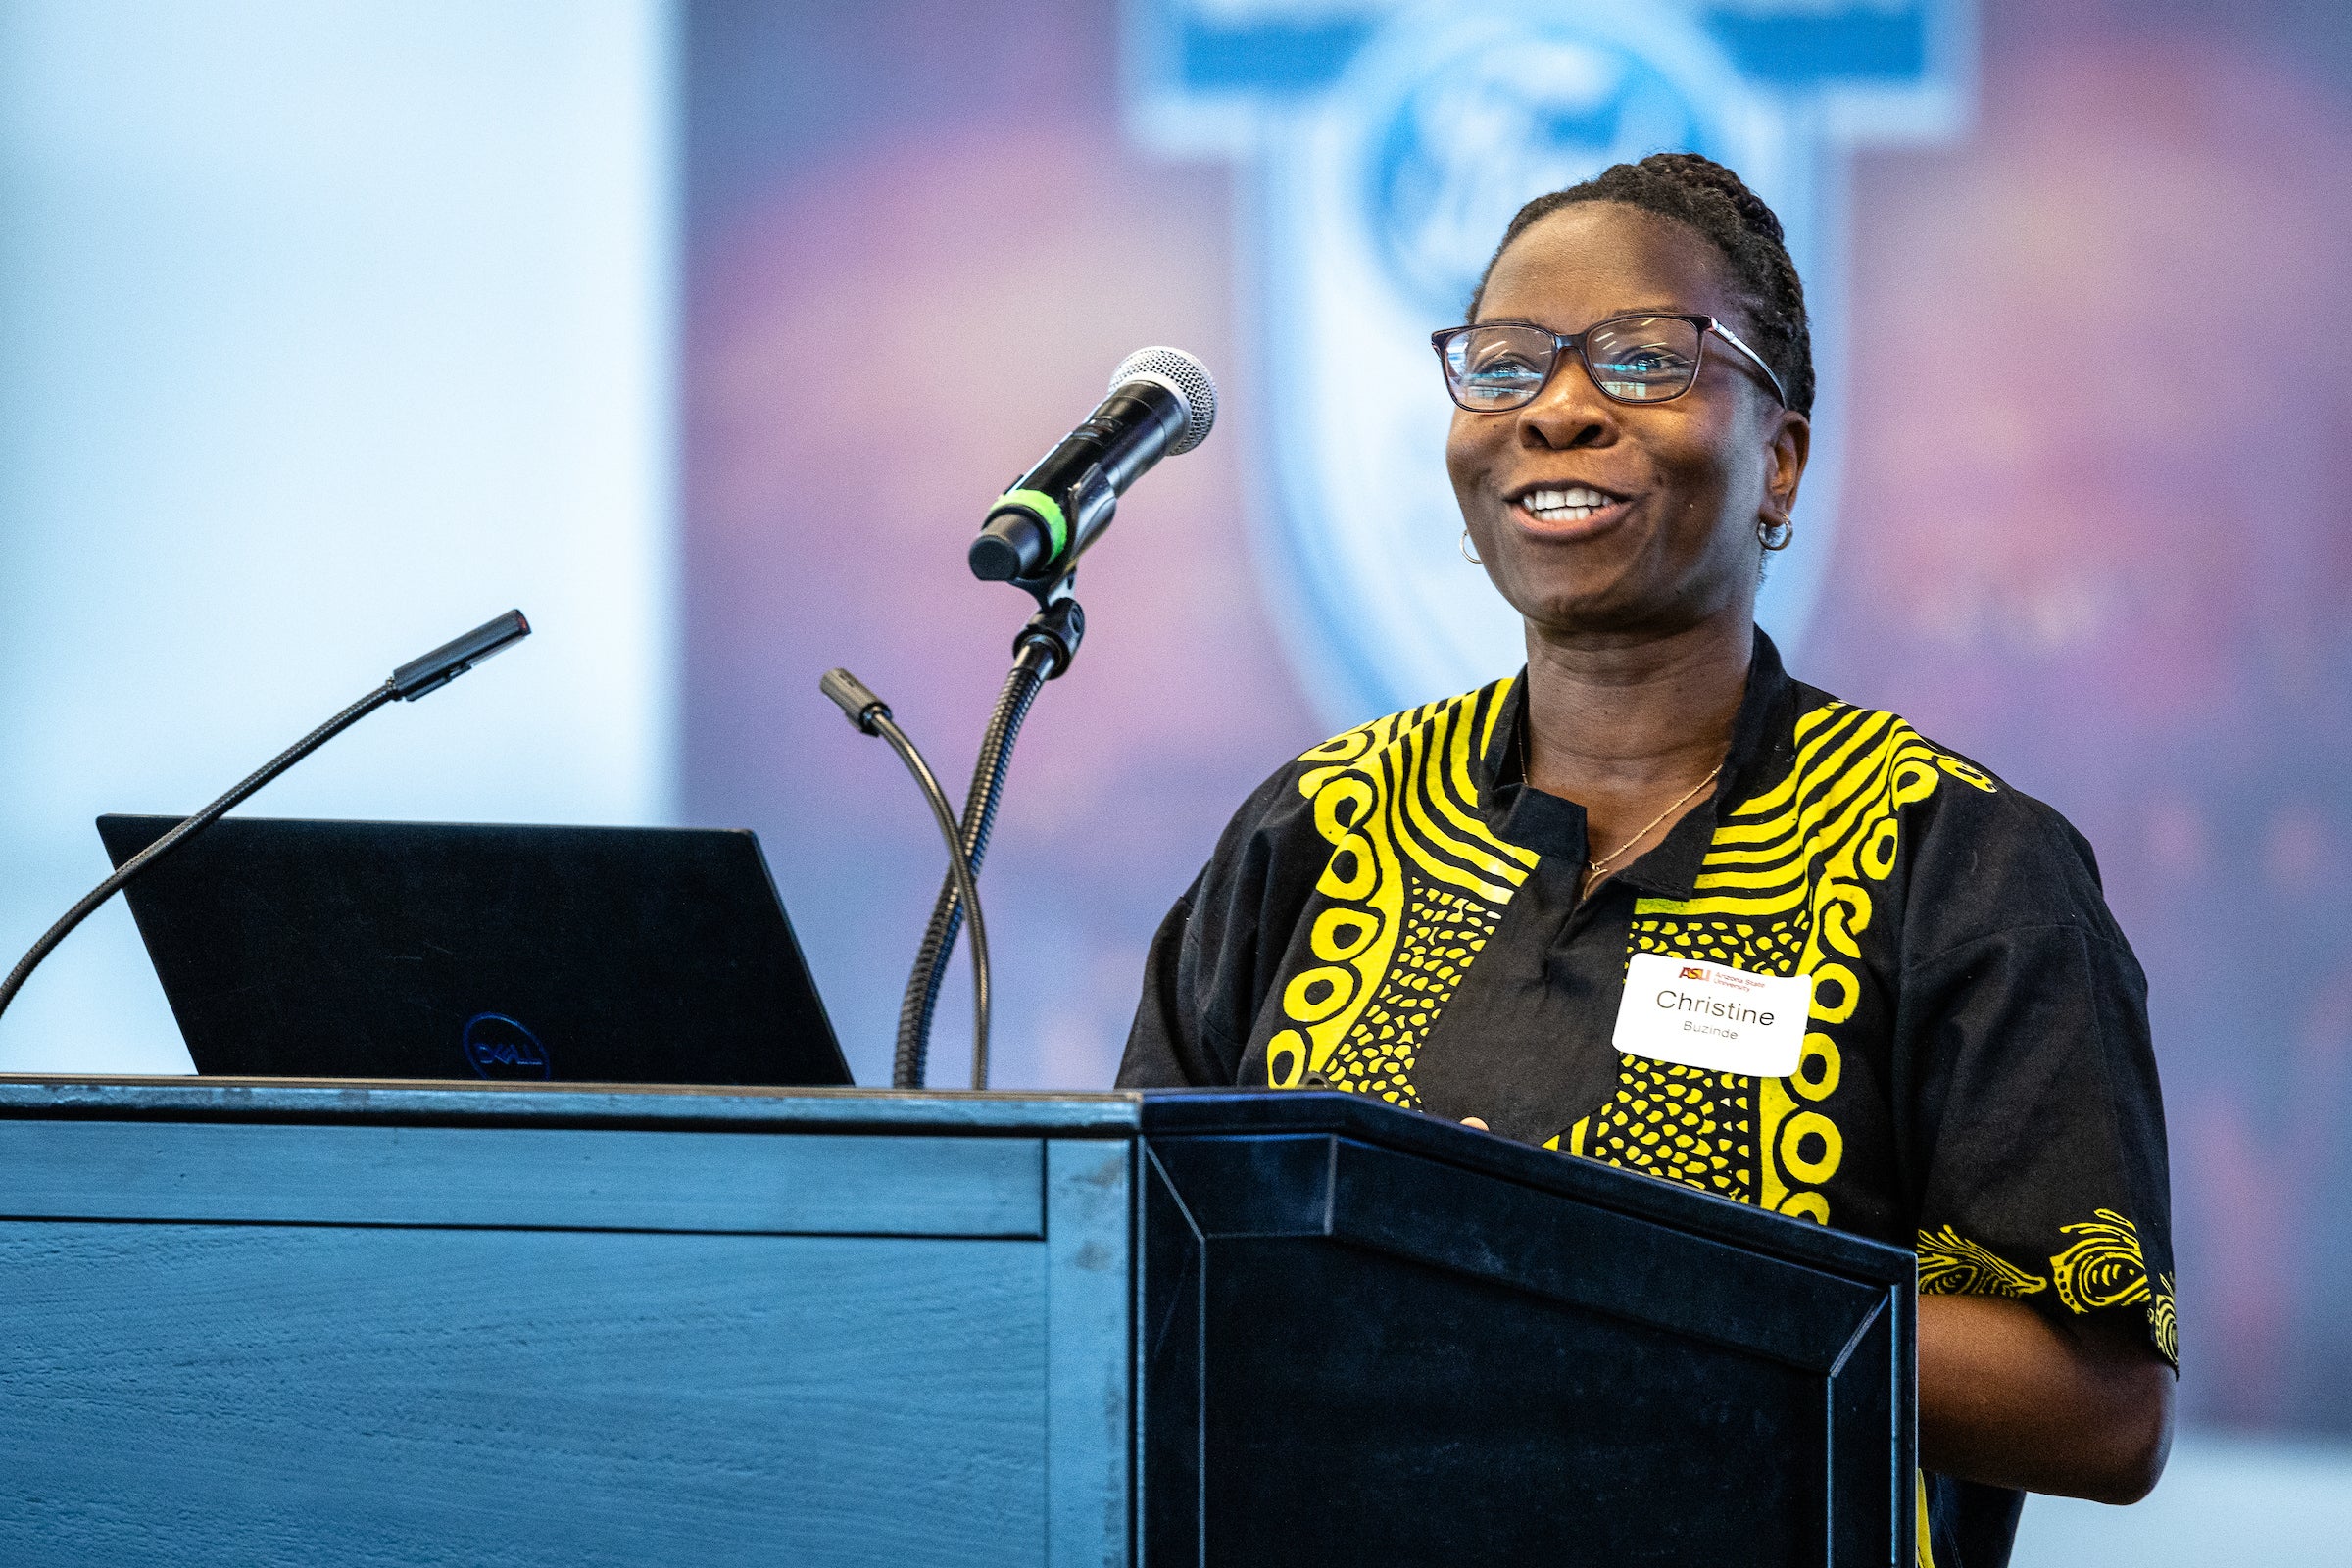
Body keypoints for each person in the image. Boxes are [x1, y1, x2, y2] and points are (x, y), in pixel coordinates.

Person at [1116, 152, 2175, 1568]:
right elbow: (1125, 1253)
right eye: (1502, 366)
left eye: (1640, 359)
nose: (1556, 409)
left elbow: (2100, 1411)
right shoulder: (1313, 827)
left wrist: (1569, 1266)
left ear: (1778, 460)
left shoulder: (1960, 863)